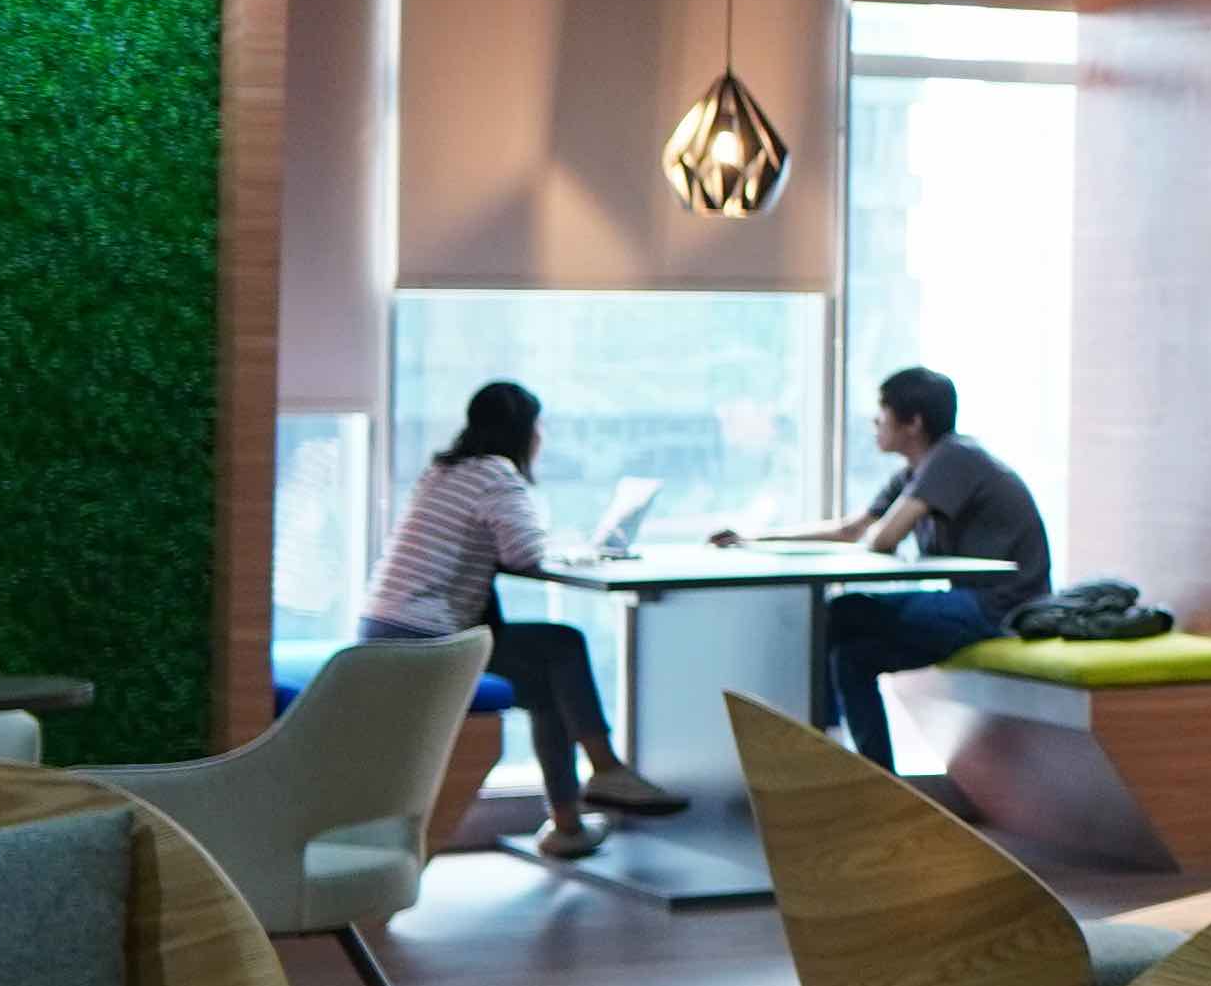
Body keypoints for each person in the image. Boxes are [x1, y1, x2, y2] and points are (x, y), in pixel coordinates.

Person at [357, 379, 664, 861]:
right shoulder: (495, 474)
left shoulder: (444, 471)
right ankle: (606, 770)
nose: (541, 437)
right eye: (538, 427)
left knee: (546, 686)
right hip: (425, 639)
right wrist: (577, 550)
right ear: (522, 431)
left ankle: (568, 826)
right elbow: (524, 553)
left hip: (385, 629)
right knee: (563, 645)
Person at [726, 365, 1054, 770]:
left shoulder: (955, 457)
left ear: (913, 422)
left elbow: (884, 538)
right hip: (969, 604)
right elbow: (850, 530)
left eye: (882, 413)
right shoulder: (916, 473)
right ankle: (876, 777)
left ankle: (823, 746)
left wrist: (878, 534)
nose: (875, 423)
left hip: (1001, 610)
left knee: (841, 613)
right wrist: (755, 538)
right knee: (852, 656)